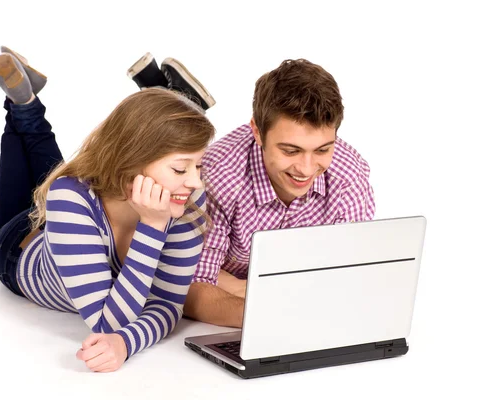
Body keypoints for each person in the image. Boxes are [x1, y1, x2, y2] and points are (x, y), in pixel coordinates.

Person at [0, 46, 216, 372]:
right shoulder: (69, 197)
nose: (195, 182)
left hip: (71, 225)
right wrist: (152, 226)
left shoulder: (186, 198)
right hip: (17, 248)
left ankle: (27, 104)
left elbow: (167, 303)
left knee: (54, 177)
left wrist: (127, 342)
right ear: (132, 163)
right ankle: (22, 106)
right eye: (181, 170)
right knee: (52, 181)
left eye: (199, 166)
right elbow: (107, 324)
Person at [128, 57, 375, 328]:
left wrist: (246, 289)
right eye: (290, 151)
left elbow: (348, 278)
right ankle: (168, 98)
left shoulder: (348, 178)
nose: (306, 169)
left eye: (322, 150)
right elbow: (187, 286)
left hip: (245, 284)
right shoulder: (217, 175)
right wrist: (279, 314)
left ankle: (177, 97)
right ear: (256, 131)